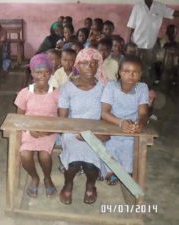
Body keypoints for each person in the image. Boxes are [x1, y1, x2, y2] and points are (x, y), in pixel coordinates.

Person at [58, 48, 108, 205]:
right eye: (85, 63)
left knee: (90, 164)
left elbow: (106, 116)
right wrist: (78, 132)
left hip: (97, 131)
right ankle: (68, 183)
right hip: (72, 130)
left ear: (99, 66)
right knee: (73, 162)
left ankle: (90, 185)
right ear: (77, 65)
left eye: (94, 64)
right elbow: (63, 118)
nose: (90, 67)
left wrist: (95, 134)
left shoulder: (104, 88)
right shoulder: (68, 88)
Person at [14, 53, 59, 198]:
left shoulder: (56, 93)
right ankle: (34, 177)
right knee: (25, 155)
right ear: (32, 73)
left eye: (46, 72)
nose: (43, 76)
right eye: (38, 72)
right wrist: (29, 129)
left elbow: (62, 118)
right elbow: (19, 118)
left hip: (49, 131)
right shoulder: (25, 93)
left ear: (51, 73)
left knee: (45, 156)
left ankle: (47, 177)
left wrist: (49, 130)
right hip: (29, 129)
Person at [101, 55, 149, 185]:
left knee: (130, 145)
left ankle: (126, 171)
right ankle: (111, 171)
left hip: (131, 127)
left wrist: (140, 123)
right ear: (120, 73)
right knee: (110, 145)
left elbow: (143, 113)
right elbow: (104, 112)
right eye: (126, 71)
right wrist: (121, 122)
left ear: (140, 74)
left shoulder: (142, 88)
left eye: (135, 72)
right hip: (112, 123)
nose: (130, 76)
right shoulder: (111, 86)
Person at [127, 0, 179, 82]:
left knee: (147, 69)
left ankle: (145, 88)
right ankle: (133, 88)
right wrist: (128, 42)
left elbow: (173, 13)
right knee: (134, 68)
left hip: (150, 45)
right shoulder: (138, 6)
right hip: (136, 44)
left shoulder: (160, 7)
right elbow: (131, 26)